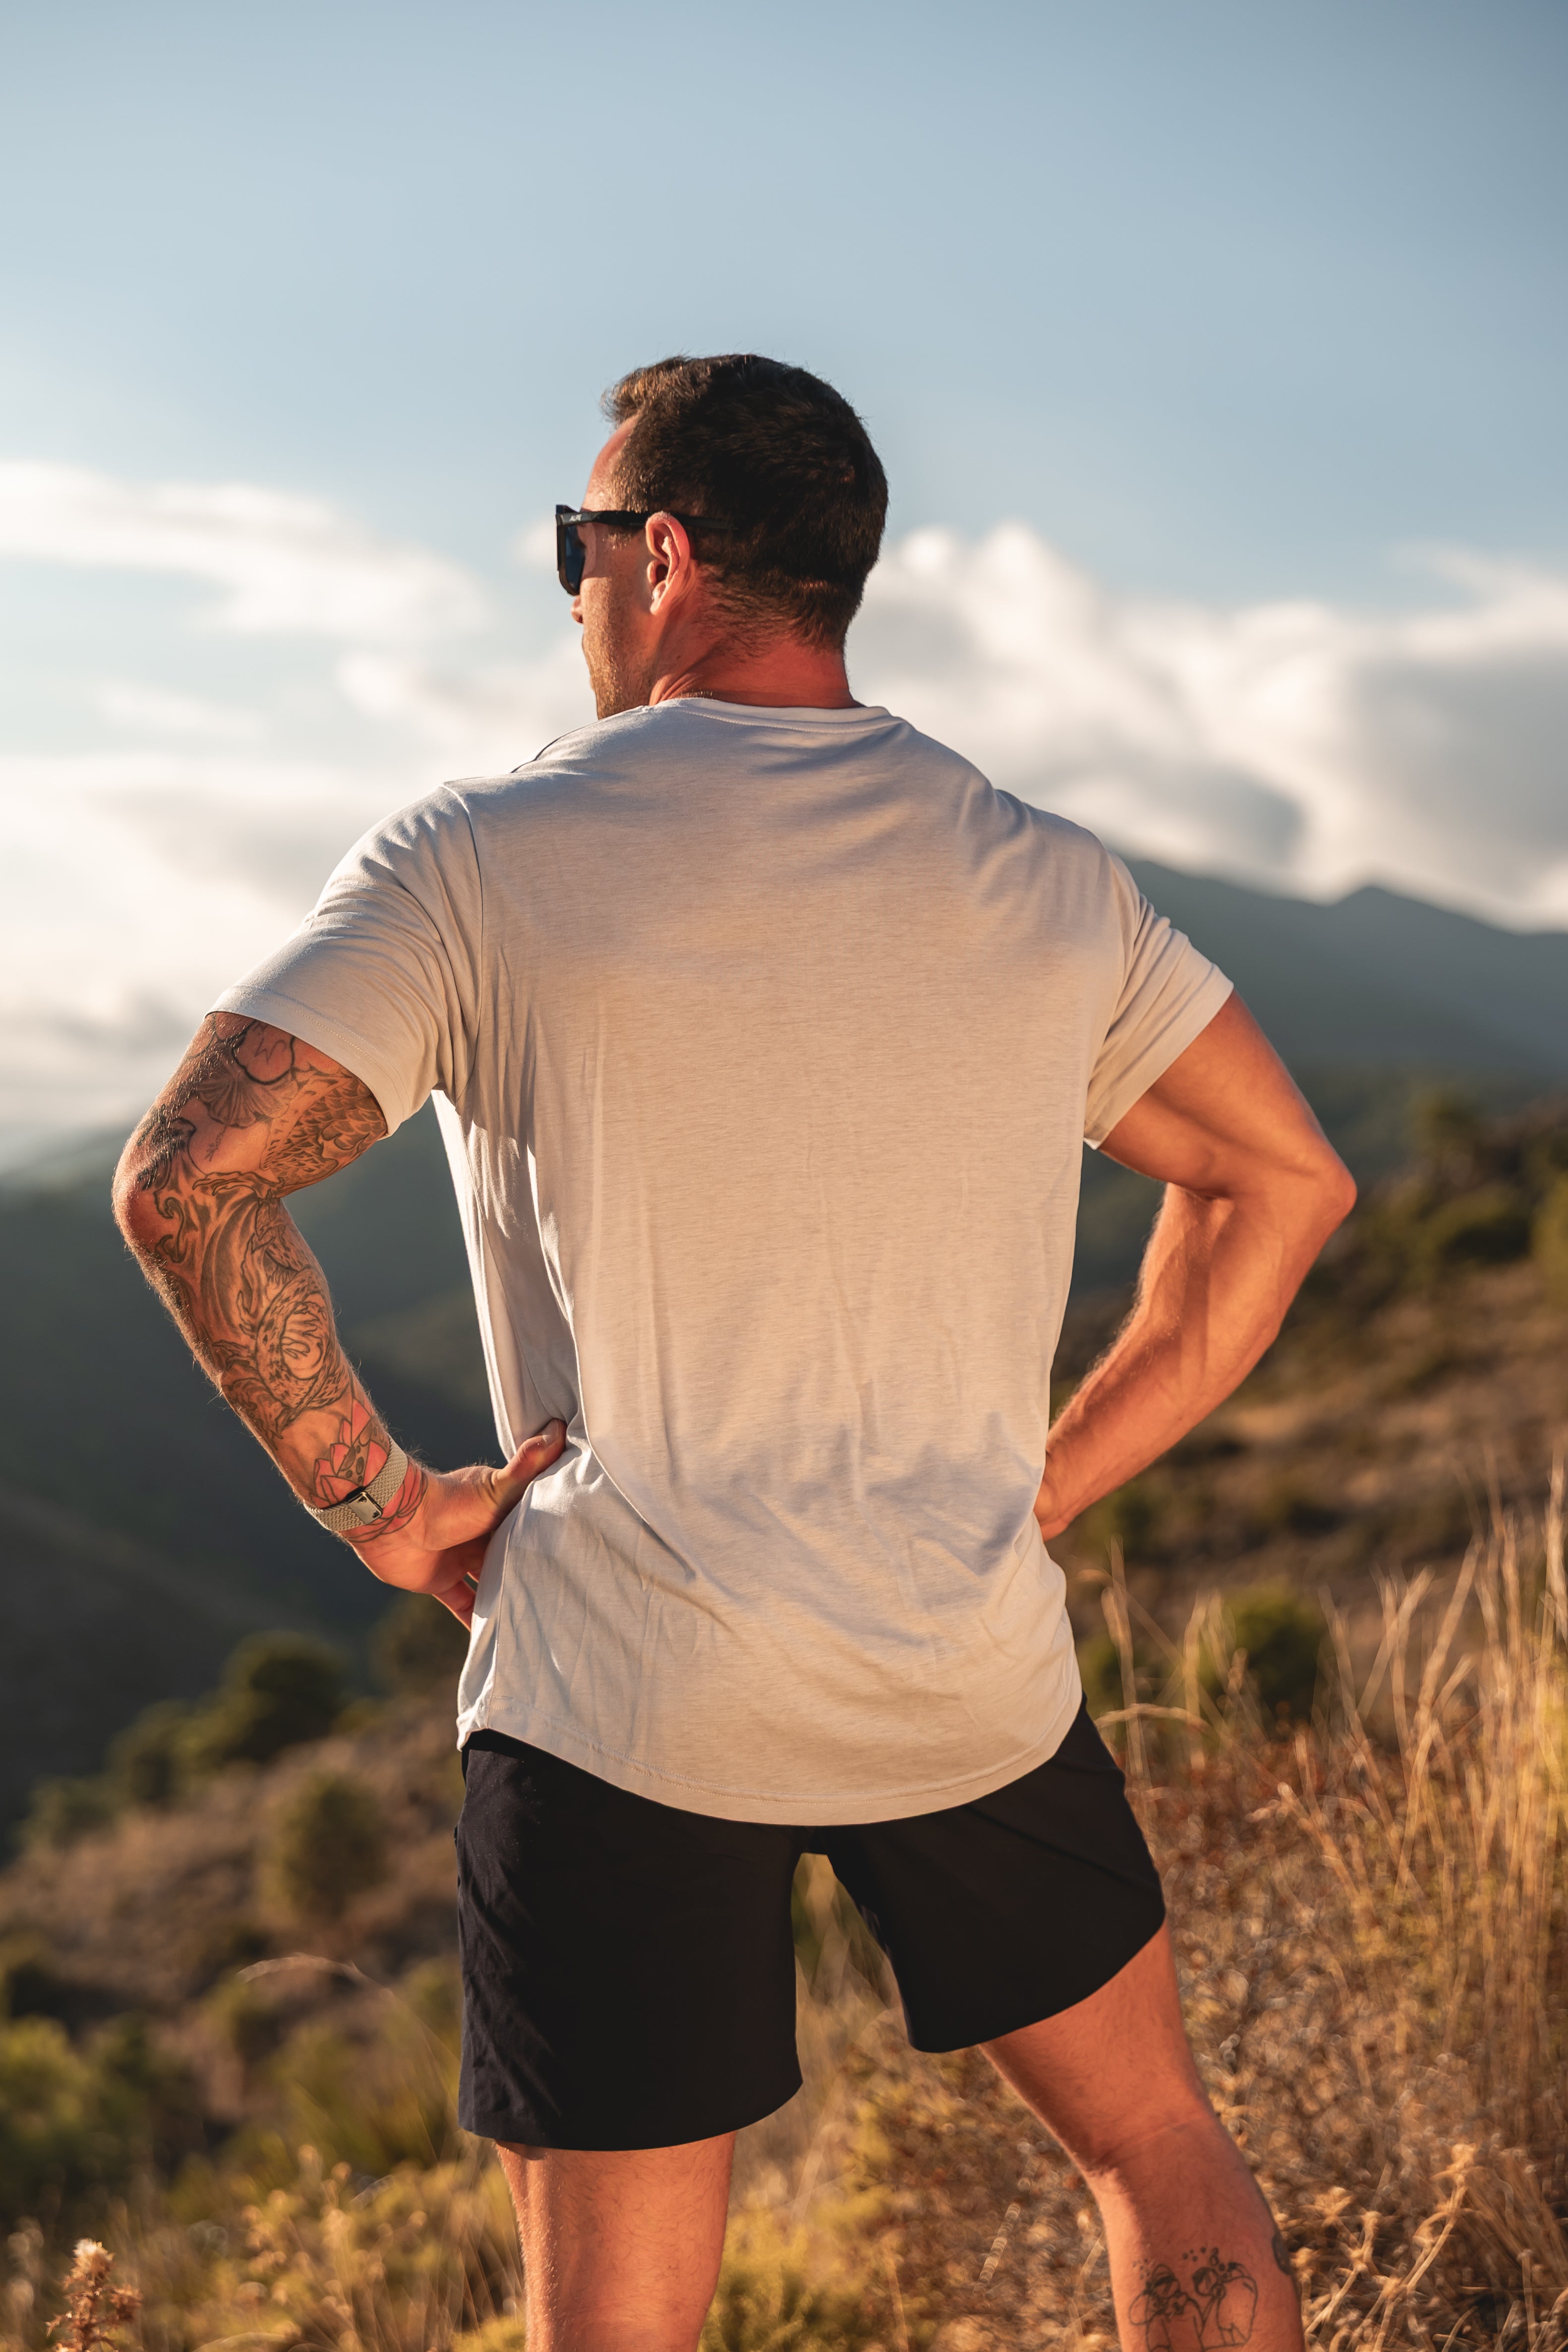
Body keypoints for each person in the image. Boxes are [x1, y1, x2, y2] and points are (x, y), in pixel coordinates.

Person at [114, 353, 1352, 2352]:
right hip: (956, 1657)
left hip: (619, 1692)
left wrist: (382, 1505)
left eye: (575, 546)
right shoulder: (1038, 875)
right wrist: (1041, 1483)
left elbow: (185, 1183)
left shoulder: (483, 853)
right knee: (1155, 2157)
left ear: (662, 556)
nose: (576, 584)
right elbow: (1282, 1187)